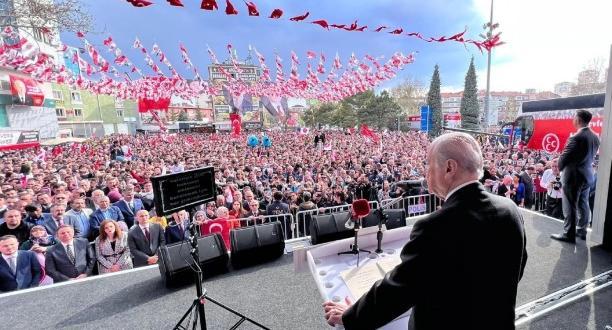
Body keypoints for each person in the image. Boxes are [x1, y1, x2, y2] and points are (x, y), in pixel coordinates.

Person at [323, 132, 527, 329]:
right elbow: (515, 268)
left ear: (449, 168)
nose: (426, 172)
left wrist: (351, 316)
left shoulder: (436, 226)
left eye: (428, 164)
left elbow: (399, 290)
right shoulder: (510, 209)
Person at [551, 110, 600, 243]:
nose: (573, 119)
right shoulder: (595, 136)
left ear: (578, 120)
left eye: (574, 117)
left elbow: (564, 158)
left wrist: (558, 167)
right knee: (583, 204)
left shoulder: (576, 137)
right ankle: (581, 231)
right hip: (588, 176)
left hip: (573, 177)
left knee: (570, 205)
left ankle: (568, 234)